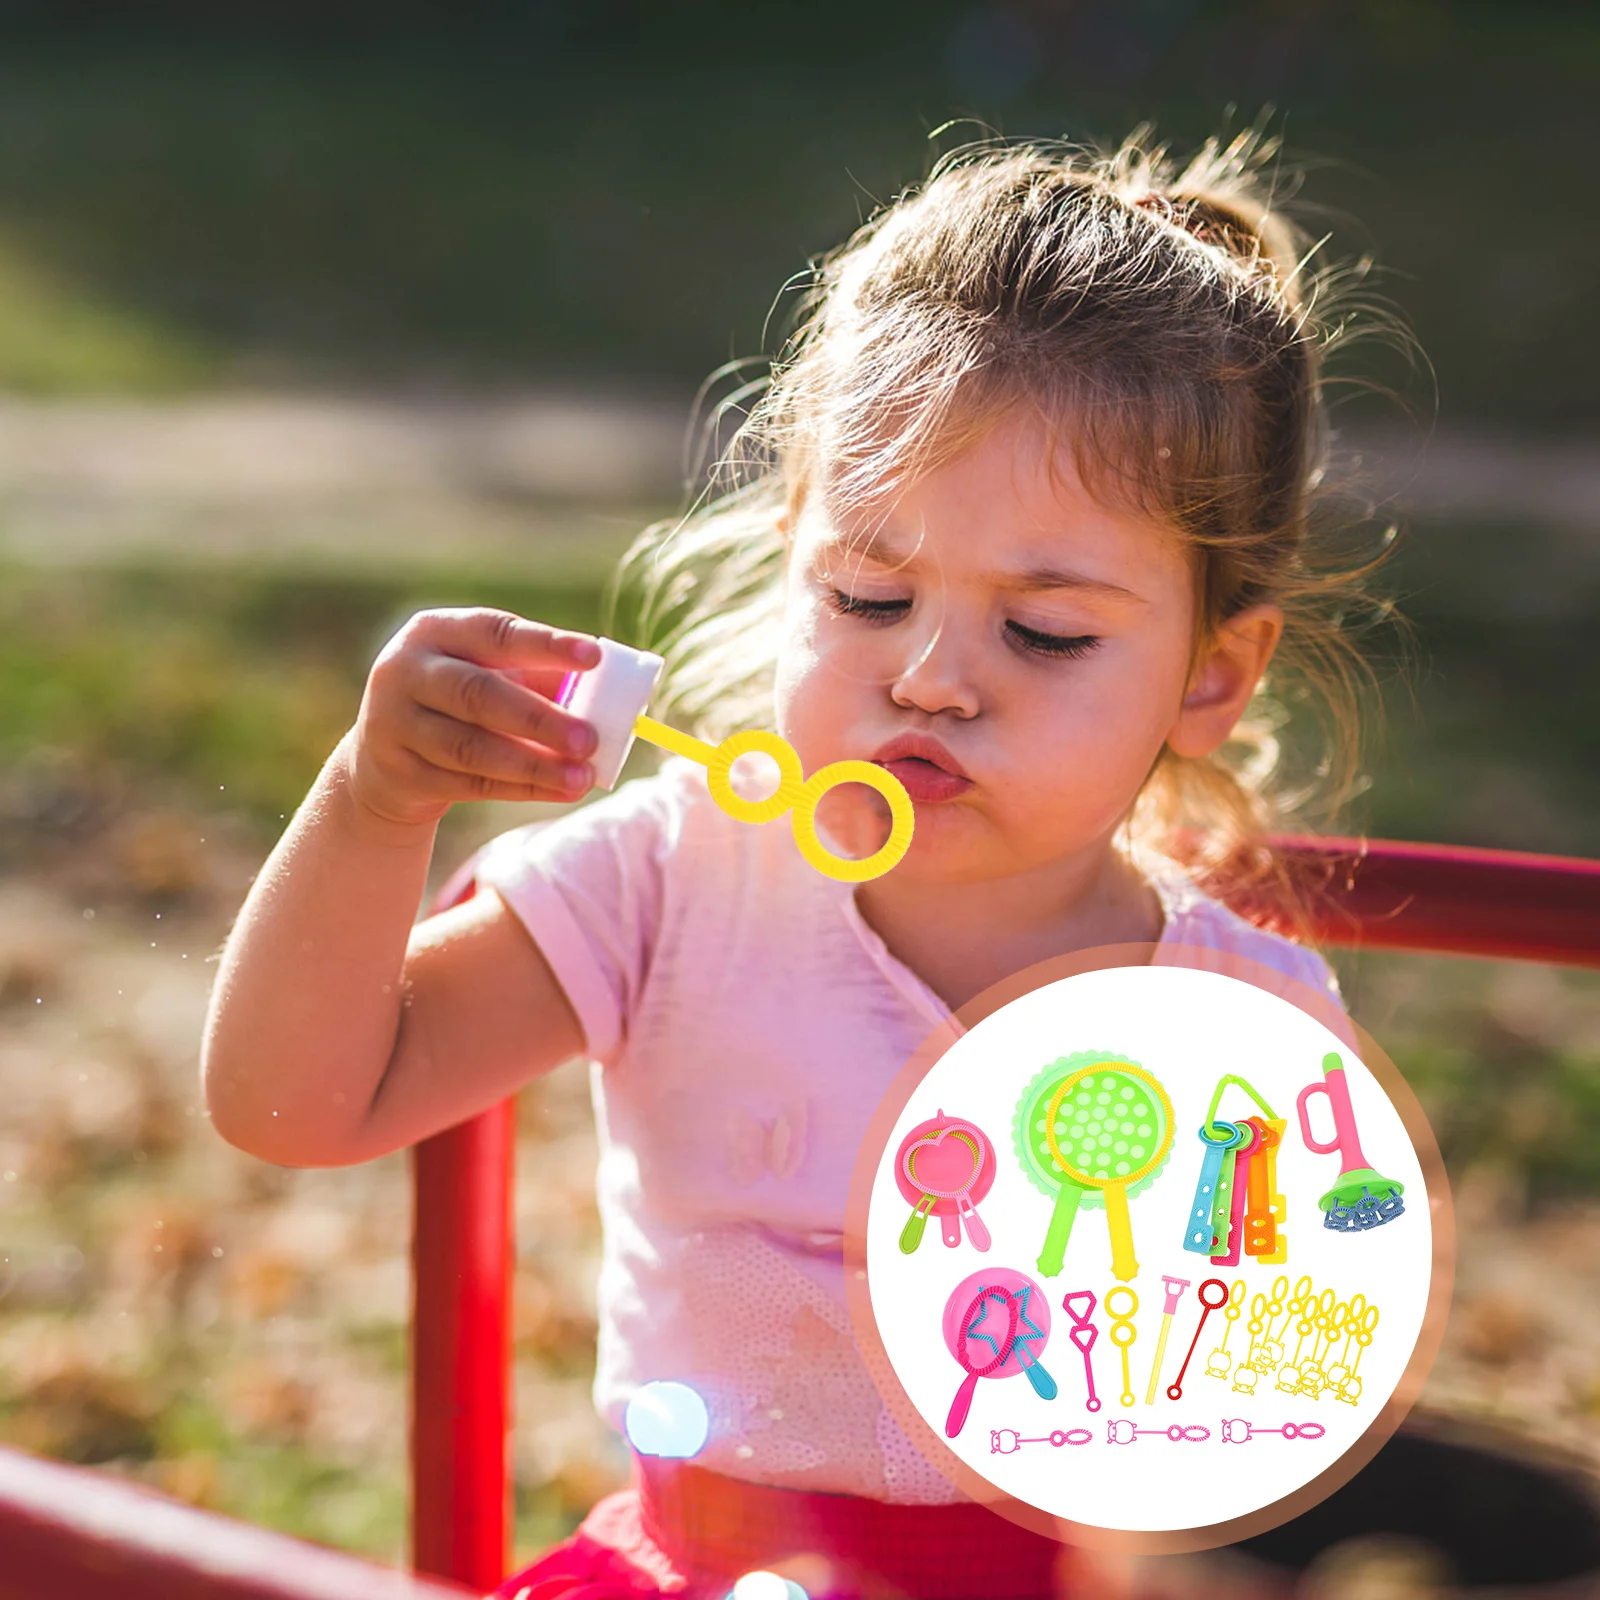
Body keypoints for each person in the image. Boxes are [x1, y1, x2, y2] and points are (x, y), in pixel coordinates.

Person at [201, 125, 1402, 1600]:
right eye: (867, 594)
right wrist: (375, 804)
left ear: (1211, 678)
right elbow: (293, 1105)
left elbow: (1272, 1443)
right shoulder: (672, 886)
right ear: (791, 559)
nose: (936, 678)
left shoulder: (1247, 1025)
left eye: (1046, 633)